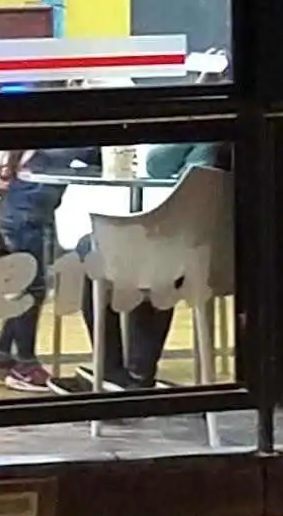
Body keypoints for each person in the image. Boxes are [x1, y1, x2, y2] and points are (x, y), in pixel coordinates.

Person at [60, 142, 233, 394]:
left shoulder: (207, 141)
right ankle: (139, 374)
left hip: (185, 258)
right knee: (152, 259)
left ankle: (111, 370)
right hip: (227, 256)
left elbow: (156, 165)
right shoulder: (254, 145)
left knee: (95, 247)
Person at [0, 146, 93, 392]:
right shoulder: (53, 149)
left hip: (25, 215)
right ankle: (25, 365)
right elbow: (82, 153)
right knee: (32, 289)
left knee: (31, 288)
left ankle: (1, 354)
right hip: (27, 219)